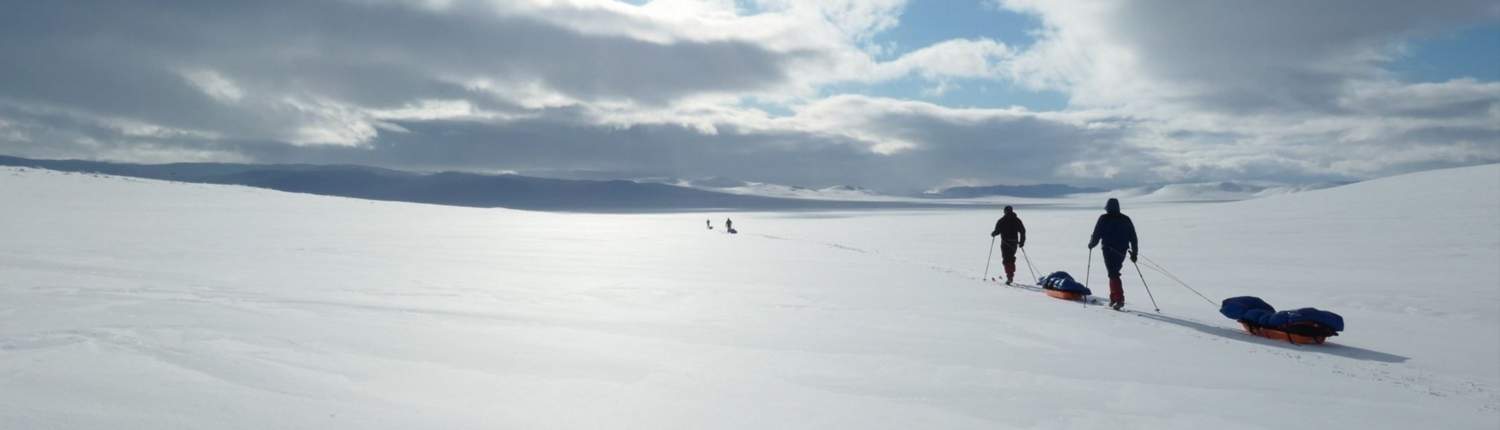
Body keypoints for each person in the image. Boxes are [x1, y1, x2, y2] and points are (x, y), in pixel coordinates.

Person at [1088, 198, 1138, 310]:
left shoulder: (1104, 218)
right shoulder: (1125, 219)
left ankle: (1119, 299)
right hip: (1122, 251)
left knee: (1113, 273)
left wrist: (1092, 244)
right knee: (1113, 273)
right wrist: (1134, 253)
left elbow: (1097, 234)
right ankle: (1114, 298)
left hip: (1108, 250)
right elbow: (1133, 237)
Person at [989, 206, 1026, 285]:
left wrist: (993, 234)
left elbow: (997, 231)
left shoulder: (1002, 220)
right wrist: (1022, 242)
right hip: (1014, 243)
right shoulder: (1017, 220)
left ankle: (1010, 276)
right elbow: (1022, 231)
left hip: (1005, 243)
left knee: (1006, 259)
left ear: (1005, 211)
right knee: (1011, 258)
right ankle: (1010, 275)